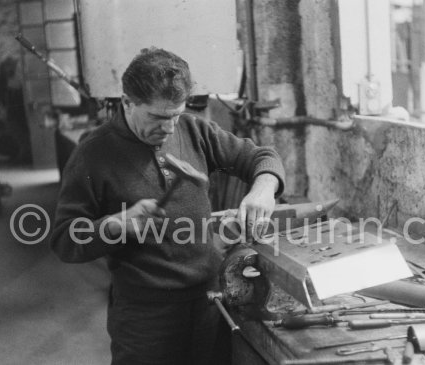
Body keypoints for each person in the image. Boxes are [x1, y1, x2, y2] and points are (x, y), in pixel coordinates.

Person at [50, 47, 285, 365]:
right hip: (145, 315)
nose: (170, 128)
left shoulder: (194, 130)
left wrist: (264, 187)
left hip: (208, 299)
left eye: (176, 115)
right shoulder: (93, 153)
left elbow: (261, 157)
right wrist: (117, 224)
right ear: (127, 103)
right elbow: (65, 240)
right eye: (158, 117)